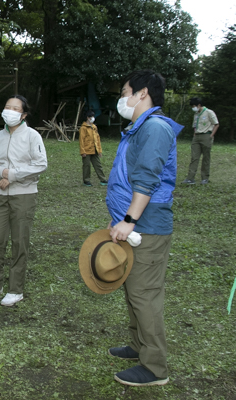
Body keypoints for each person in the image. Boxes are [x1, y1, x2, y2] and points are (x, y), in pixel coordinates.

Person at [106, 69, 183, 387]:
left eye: (125, 91)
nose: (122, 97)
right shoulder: (139, 128)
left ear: (142, 93)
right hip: (132, 224)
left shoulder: (154, 128)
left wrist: (128, 220)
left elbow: (148, 179)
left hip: (145, 226)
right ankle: (138, 346)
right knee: (132, 288)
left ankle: (154, 367)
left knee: (145, 294)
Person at [0, 95, 47, 306]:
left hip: (24, 194)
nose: (10, 111)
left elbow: (40, 164)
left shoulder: (32, 136)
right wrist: (2, 173)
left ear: (23, 114)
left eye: (15, 108)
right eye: (7, 107)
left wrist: (13, 175)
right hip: (0, 195)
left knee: (19, 241)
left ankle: (16, 289)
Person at [182, 97, 219, 184]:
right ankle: (190, 178)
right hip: (197, 137)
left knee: (206, 157)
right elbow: (194, 125)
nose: (193, 108)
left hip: (206, 136)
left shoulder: (209, 112)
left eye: (194, 106)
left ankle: (205, 178)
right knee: (194, 158)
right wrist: (194, 134)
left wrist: (211, 135)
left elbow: (216, 124)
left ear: (199, 105)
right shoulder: (196, 114)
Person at [79, 110, 107, 186]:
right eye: (91, 117)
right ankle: (86, 180)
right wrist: (83, 151)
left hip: (95, 150)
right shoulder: (83, 128)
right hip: (86, 151)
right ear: (87, 118)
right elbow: (81, 141)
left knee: (98, 165)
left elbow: (97, 139)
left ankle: (103, 179)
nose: (93, 118)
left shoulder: (94, 127)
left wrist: (99, 150)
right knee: (86, 166)